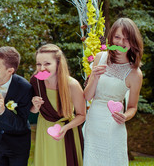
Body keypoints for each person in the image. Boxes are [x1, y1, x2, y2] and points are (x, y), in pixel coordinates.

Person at [83, 18, 143, 166]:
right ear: (111, 37)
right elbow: (87, 96)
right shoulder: (99, 58)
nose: (121, 42)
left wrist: (125, 116)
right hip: (93, 123)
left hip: (114, 125)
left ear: (133, 42)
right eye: (117, 37)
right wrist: (95, 77)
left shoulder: (135, 73)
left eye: (126, 39)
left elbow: (132, 107)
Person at [30, 44, 85, 166]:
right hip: (44, 128)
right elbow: (33, 111)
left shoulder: (72, 85)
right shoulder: (35, 81)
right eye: (38, 64)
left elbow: (81, 115)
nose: (42, 68)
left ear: (58, 64)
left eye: (47, 64)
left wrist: (65, 128)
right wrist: (35, 106)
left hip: (66, 130)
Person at [0, 46, 33, 166]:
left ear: (10, 71)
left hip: (18, 144)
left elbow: (21, 123)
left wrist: (3, 111)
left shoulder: (24, 88)